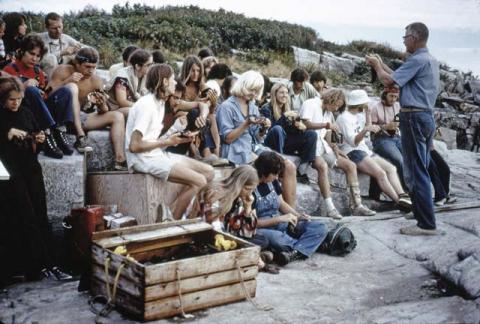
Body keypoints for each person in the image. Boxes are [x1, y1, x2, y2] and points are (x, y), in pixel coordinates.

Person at [366, 22, 441, 235]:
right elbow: (397, 78)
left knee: (416, 171)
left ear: (415, 37)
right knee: (420, 167)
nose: (404, 40)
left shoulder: (417, 59)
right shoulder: (429, 60)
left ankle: (426, 224)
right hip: (425, 116)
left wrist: (376, 66)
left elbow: (389, 80)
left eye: (405, 36)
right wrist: (380, 64)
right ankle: (420, 211)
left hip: (414, 116)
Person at [0, 76, 71, 285]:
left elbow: (34, 137)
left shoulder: (26, 112)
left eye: (19, 99)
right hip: (11, 173)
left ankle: (51, 263)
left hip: (31, 169)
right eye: (12, 100)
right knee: (24, 217)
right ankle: (35, 265)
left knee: (41, 214)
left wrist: (38, 139)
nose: (16, 103)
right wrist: (6, 134)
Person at [125, 63, 214, 220]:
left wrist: (183, 135)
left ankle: (170, 214)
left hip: (156, 154)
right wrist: (168, 142)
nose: (175, 82)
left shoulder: (160, 101)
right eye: (173, 79)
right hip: (142, 159)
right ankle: (172, 220)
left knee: (209, 172)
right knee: (200, 181)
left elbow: (201, 104)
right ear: (164, 82)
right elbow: (135, 146)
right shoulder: (147, 105)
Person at [216, 70, 298, 208]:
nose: (254, 94)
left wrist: (263, 128)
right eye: (252, 90)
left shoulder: (252, 107)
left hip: (253, 147)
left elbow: (257, 138)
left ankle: (291, 213)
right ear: (243, 85)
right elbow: (227, 139)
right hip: (235, 150)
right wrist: (246, 124)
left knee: (289, 166)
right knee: (266, 166)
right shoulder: (226, 107)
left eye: (256, 91)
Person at [48, 47, 127, 170]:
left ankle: (120, 159)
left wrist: (101, 104)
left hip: (80, 117)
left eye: (93, 67)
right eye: (87, 67)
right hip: (60, 116)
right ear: (77, 64)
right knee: (72, 87)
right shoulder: (62, 71)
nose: (91, 71)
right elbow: (47, 95)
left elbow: (104, 111)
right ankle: (80, 137)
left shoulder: (96, 80)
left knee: (117, 116)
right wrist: (67, 81)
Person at [300, 89, 376, 218]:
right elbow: (304, 124)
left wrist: (336, 149)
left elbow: (328, 134)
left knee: (350, 165)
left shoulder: (328, 113)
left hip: (323, 147)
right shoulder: (311, 103)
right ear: (331, 98)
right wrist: (327, 125)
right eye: (335, 104)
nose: (336, 108)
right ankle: (330, 208)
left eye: (338, 106)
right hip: (308, 145)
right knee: (322, 166)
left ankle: (357, 205)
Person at [190, 165, 279, 273]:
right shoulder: (214, 193)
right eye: (247, 189)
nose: (249, 193)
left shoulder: (238, 198)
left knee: (262, 240)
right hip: (207, 236)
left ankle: (252, 257)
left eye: (252, 190)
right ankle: (254, 259)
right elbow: (214, 229)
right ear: (238, 184)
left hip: (226, 234)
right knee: (240, 245)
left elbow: (248, 233)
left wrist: (247, 209)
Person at [336, 89, 412, 211]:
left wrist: (367, 115)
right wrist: (365, 130)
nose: (367, 105)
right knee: (380, 173)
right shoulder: (343, 118)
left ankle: (403, 196)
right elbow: (353, 142)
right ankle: (400, 203)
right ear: (359, 103)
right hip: (352, 151)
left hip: (364, 150)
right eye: (365, 103)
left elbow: (368, 131)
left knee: (391, 168)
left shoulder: (359, 115)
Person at [3, 34, 75, 158]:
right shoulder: (9, 70)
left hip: (39, 110)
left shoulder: (38, 72)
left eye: (38, 56)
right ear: (21, 52)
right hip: (22, 112)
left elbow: (46, 94)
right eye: (31, 54)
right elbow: (4, 99)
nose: (35, 59)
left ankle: (60, 130)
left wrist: (45, 92)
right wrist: (24, 87)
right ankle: (47, 133)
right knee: (31, 90)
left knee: (66, 91)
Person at [253, 151, 328, 266]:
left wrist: (297, 216)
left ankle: (294, 252)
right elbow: (253, 223)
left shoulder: (272, 182)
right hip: (262, 228)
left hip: (279, 223)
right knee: (280, 240)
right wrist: (279, 219)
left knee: (320, 227)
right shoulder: (250, 188)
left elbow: (281, 203)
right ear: (264, 173)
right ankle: (309, 246)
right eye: (275, 174)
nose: (277, 177)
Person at [106, 48, 152, 117]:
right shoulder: (122, 77)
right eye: (148, 65)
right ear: (138, 66)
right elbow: (122, 102)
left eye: (152, 64)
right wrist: (141, 106)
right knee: (138, 112)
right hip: (114, 109)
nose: (151, 67)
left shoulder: (144, 76)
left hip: (130, 106)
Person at [38, 12, 82, 77]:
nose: (58, 31)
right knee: (51, 59)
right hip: (45, 73)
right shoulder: (39, 38)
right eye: (54, 28)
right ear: (46, 27)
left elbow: (82, 47)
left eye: (60, 27)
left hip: (63, 72)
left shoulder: (65, 37)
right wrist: (62, 53)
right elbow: (39, 59)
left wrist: (78, 49)